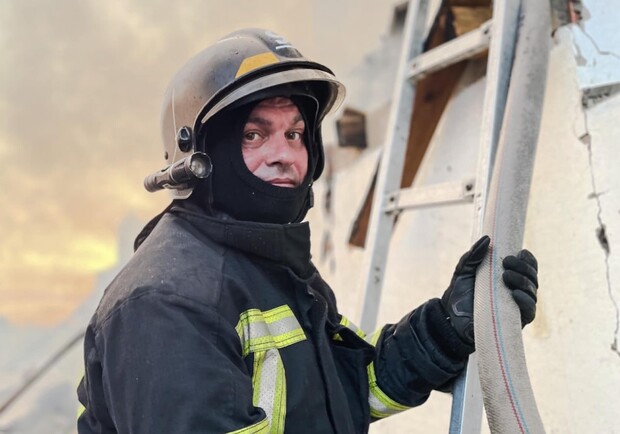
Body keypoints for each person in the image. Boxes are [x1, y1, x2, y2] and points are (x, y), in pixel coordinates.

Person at [77, 28, 539, 433]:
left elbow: (349, 387)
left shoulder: (268, 260)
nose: (284, 155)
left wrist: (448, 326)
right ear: (200, 156)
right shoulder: (166, 303)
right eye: (254, 135)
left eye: (295, 134)